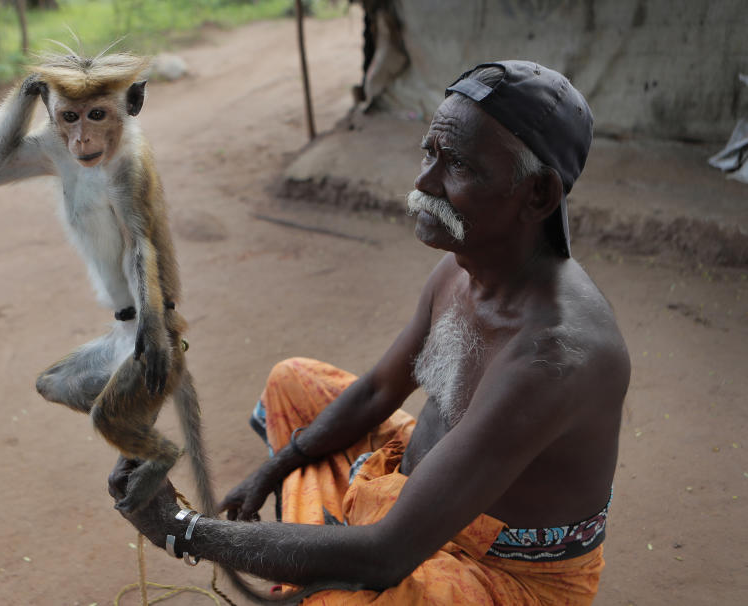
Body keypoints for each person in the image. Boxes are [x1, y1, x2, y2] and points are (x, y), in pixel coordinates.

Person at [109, 60, 630, 605]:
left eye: (457, 166)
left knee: (340, 597)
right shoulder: (460, 269)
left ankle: (316, 549)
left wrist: (181, 528)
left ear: (539, 195)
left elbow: (386, 553)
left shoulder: (556, 358)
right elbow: (381, 390)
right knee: (295, 383)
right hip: (412, 493)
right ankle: (316, 538)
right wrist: (276, 466)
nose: (424, 183)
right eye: (429, 153)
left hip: (498, 572)